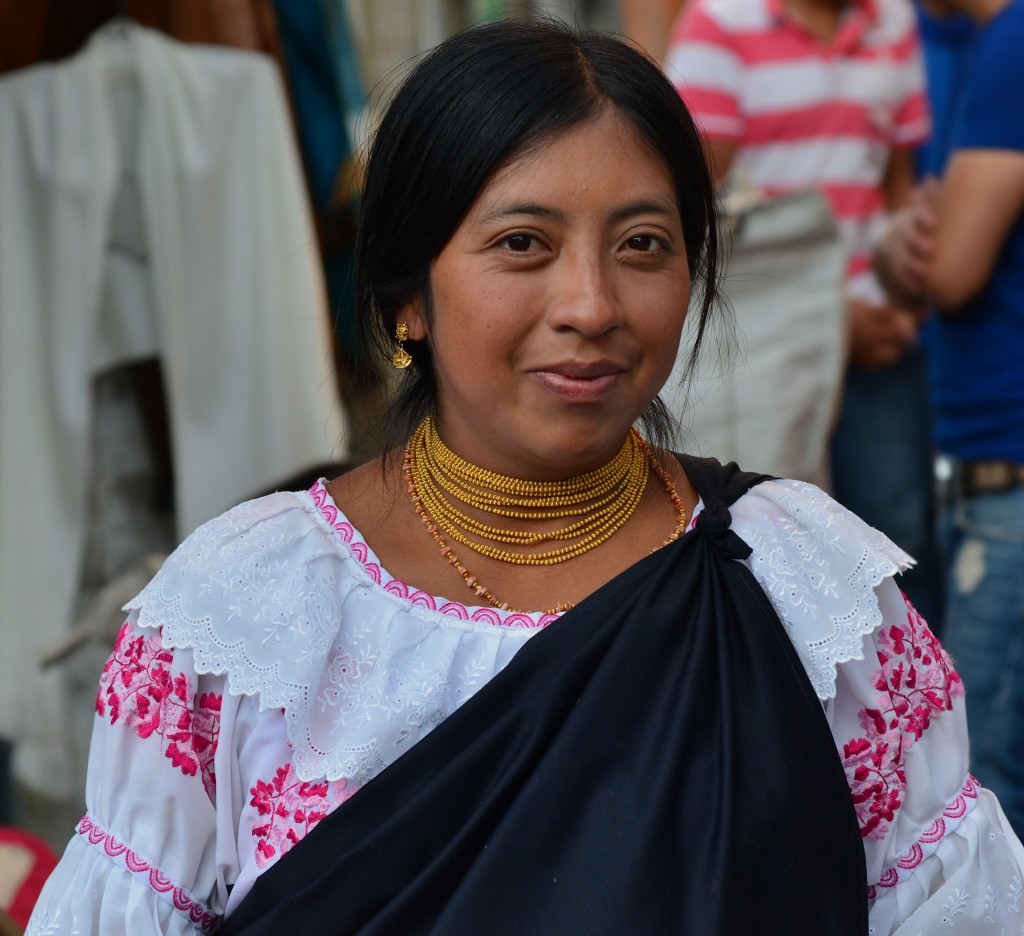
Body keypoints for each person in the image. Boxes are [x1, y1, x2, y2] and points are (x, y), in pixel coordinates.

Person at [27, 18, 1024, 936]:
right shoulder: (246, 615)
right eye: (521, 245)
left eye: (643, 245)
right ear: (406, 294)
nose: (590, 303)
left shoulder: (806, 586)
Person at [665, 0, 945, 624]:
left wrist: (903, 303)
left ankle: (901, 709)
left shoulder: (893, 21)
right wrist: (832, 318)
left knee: (897, 541)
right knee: (771, 544)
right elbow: (691, 207)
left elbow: (892, 181)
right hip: (771, 347)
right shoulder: (720, 24)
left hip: (879, 341)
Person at [877, 0, 1024, 836]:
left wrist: (906, 250)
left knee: (981, 795)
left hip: (1009, 473)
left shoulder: (1014, 40)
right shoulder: (952, 41)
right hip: (980, 466)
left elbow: (953, 265)